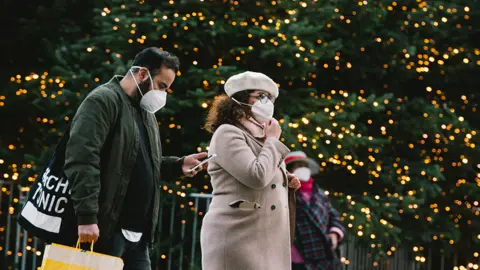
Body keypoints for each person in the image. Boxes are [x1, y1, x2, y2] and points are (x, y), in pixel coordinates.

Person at [64, 47, 207, 270]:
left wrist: (178, 165)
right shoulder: (103, 101)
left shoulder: (145, 112)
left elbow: (137, 163)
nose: (163, 94)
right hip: (105, 230)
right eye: (161, 86)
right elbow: (82, 159)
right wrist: (87, 217)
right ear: (142, 74)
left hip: (138, 236)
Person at [200, 71, 301, 270]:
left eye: (270, 98)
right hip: (239, 236)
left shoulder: (260, 135)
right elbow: (256, 176)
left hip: (265, 237)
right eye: (261, 96)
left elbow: (263, 171)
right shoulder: (227, 133)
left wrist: (285, 178)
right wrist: (272, 140)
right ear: (241, 99)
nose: (268, 102)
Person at [285, 151, 345, 270]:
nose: (302, 169)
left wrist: (334, 234)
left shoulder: (319, 194)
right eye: (298, 166)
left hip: (322, 256)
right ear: (289, 170)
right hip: (293, 259)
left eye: (304, 166)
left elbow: (334, 216)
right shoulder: (284, 193)